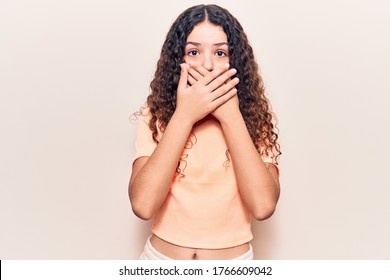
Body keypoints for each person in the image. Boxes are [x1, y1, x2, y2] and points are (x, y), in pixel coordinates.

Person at [128, 4, 281, 260]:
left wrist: (230, 115)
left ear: (235, 61)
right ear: (179, 58)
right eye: (194, 51)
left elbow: (263, 206)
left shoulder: (256, 120)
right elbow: (143, 205)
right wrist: (185, 116)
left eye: (220, 52)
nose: (208, 64)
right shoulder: (156, 116)